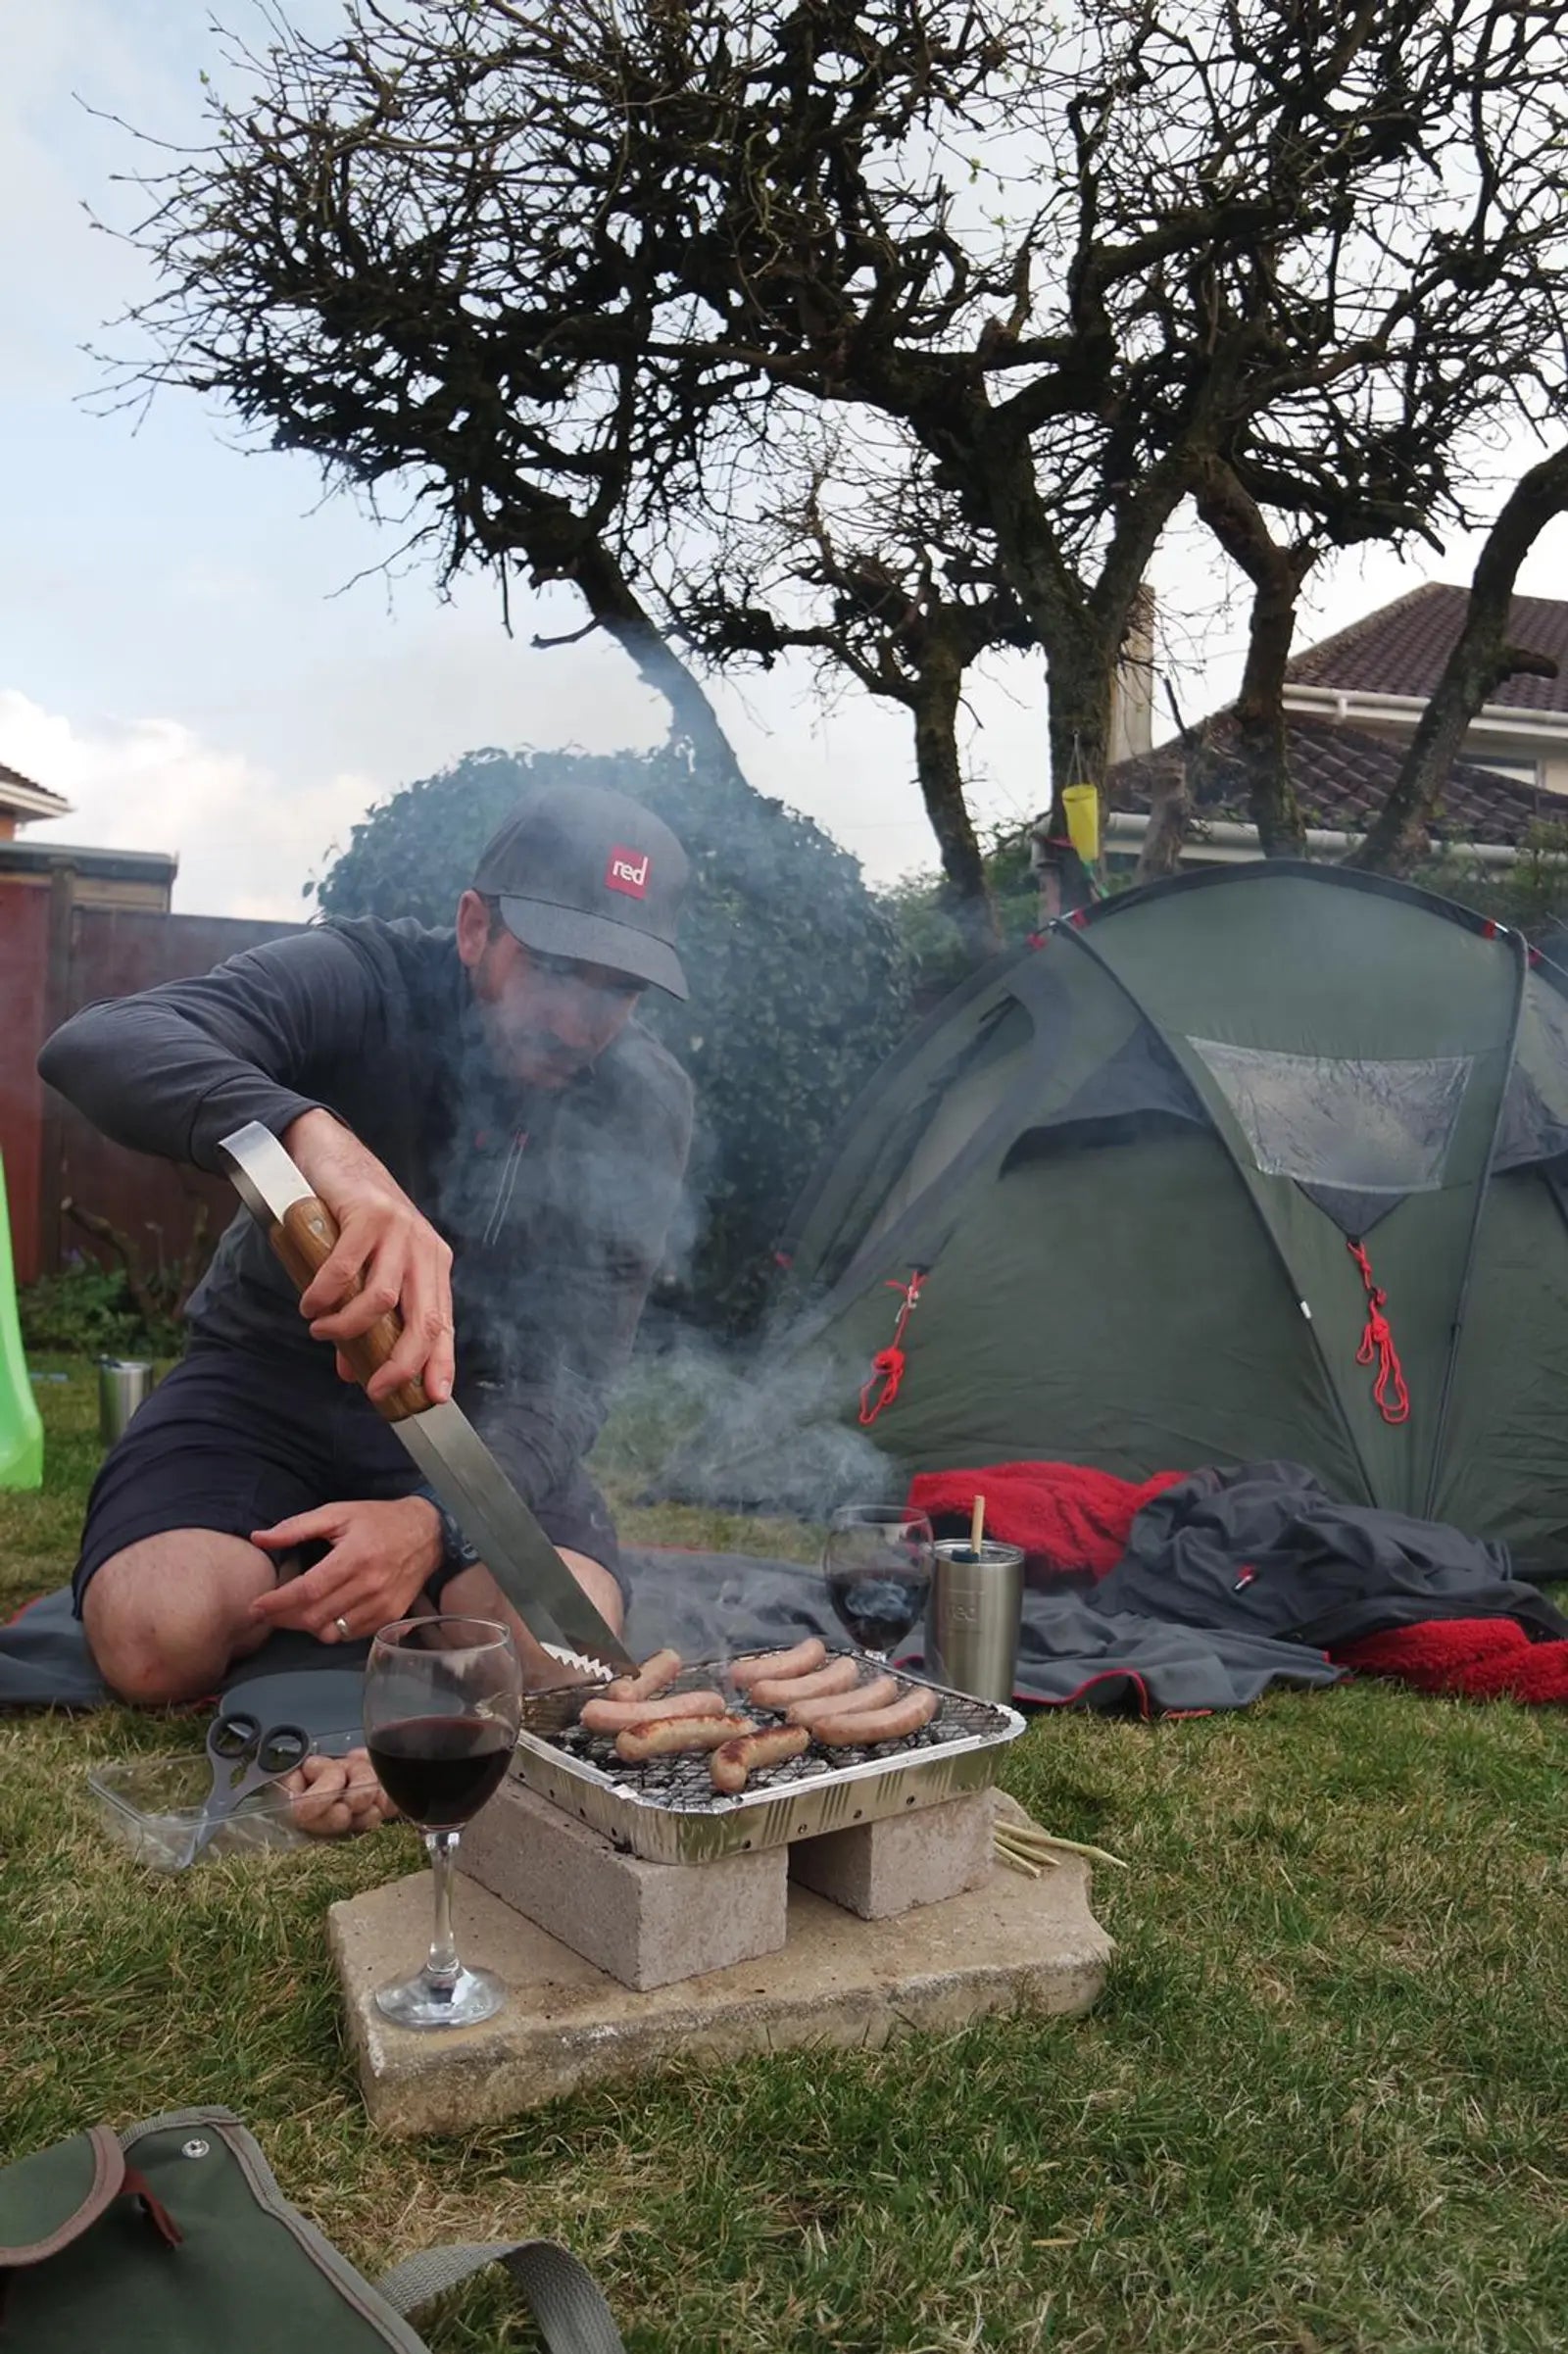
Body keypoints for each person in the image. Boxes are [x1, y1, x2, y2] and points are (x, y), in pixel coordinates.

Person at [38, 783, 693, 1826]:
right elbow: (98, 1044)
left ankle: (393, 1570)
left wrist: (431, 1523)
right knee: (151, 1635)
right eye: (559, 965)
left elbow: (572, 1379)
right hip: (266, 1386)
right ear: (477, 925)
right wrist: (308, 1135)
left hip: (478, 1424)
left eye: (616, 987)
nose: (581, 1017)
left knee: (562, 1663)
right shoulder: (360, 978)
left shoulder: (646, 1101)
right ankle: (311, 1559)